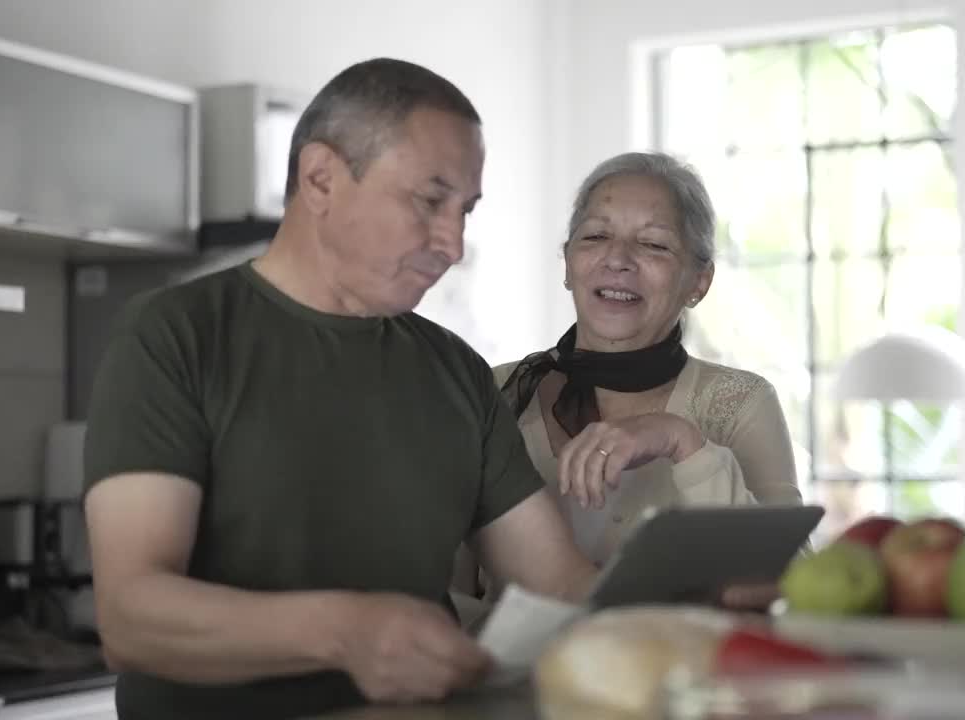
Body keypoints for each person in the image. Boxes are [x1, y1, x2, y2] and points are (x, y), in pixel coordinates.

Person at [81, 57, 600, 720]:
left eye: (465, 210)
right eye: (429, 199)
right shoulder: (175, 336)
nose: (453, 242)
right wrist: (346, 632)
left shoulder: (456, 373)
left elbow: (557, 582)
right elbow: (131, 618)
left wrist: (701, 607)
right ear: (321, 178)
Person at [487, 151, 804, 571]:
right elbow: (439, 589)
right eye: (596, 237)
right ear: (567, 262)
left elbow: (790, 576)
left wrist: (682, 442)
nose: (617, 259)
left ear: (698, 282)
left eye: (654, 244)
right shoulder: (493, 391)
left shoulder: (740, 401)